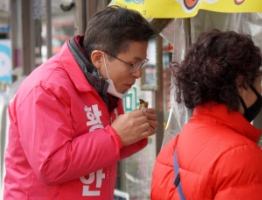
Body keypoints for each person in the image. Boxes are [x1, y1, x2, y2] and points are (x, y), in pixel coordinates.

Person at [4, 6, 158, 200]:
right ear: (98, 58)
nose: (138, 73)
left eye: (142, 63)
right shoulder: (46, 88)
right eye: (133, 64)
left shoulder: (104, 84)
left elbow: (99, 153)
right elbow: (50, 166)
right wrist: (116, 136)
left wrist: (134, 133)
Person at [150, 29, 262, 200]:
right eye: (258, 82)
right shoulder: (243, 158)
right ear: (240, 83)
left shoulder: (170, 150)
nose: (260, 90)